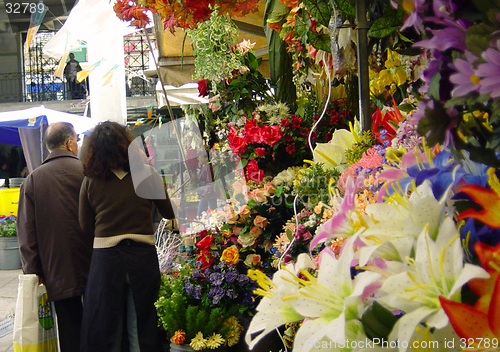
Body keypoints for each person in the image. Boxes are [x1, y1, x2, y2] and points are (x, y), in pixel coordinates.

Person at [79, 121, 175, 352]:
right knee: (141, 324)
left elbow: (84, 226)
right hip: (142, 257)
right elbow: (169, 212)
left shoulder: (91, 181)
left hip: (106, 259)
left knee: (107, 325)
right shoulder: (147, 174)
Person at [17, 122, 93, 352]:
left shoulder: (33, 180)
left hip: (56, 267)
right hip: (94, 262)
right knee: (97, 324)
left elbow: (26, 231)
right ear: (70, 143)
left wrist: (33, 270)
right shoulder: (87, 172)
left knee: (69, 328)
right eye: (77, 141)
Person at [197, 153, 218, 218]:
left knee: (210, 211)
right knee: (209, 210)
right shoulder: (204, 166)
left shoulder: (208, 167)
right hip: (206, 193)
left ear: (206, 158)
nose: (199, 159)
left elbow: (210, 181)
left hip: (208, 194)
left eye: (201, 157)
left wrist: (206, 193)